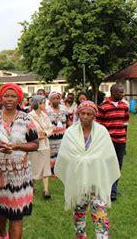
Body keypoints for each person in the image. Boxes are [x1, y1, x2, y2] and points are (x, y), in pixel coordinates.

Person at [55, 101, 120, 239]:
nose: (85, 117)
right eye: (82, 113)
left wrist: (90, 159)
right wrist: (81, 160)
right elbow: (65, 156)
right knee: (79, 213)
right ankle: (81, 236)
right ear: (78, 114)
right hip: (79, 182)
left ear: (94, 115)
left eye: (89, 114)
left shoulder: (102, 132)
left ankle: (102, 236)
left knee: (100, 213)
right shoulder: (70, 133)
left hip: (97, 181)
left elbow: (108, 156)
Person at [0, 83, 39, 239]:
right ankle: (3, 235)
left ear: (19, 99)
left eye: (13, 96)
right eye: (6, 96)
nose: (9, 99)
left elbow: (35, 144)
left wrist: (17, 146)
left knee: (16, 213)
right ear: (1, 97)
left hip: (19, 174)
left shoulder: (26, 119)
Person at [96, 84, 129, 201]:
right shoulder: (103, 107)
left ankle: (113, 189)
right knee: (107, 165)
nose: (123, 94)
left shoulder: (124, 106)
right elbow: (98, 127)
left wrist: (125, 141)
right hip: (107, 142)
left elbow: (125, 125)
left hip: (120, 141)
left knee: (118, 166)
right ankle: (108, 189)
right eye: (121, 92)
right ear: (113, 92)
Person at [28, 95, 53, 199]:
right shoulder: (29, 116)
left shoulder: (44, 115)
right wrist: (37, 136)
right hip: (35, 145)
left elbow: (50, 127)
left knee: (46, 167)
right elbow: (28, 131)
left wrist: (46, 133)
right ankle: (32, 187)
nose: (44, 104)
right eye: (43, 102)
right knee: (33, 167)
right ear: (38, 104)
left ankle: (46, 190)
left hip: (45, 145)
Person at [45, 91, 69, 173]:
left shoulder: (64, 108)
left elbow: (67, 120)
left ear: (60, 99)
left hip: (62, 136)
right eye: (53, 98)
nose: (55, 100)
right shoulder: (46, 110)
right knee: (51, 154)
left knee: (61, 153)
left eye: (57, 98)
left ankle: (61, 170)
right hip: (51, 137)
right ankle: (52, 170)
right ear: (50, 100)